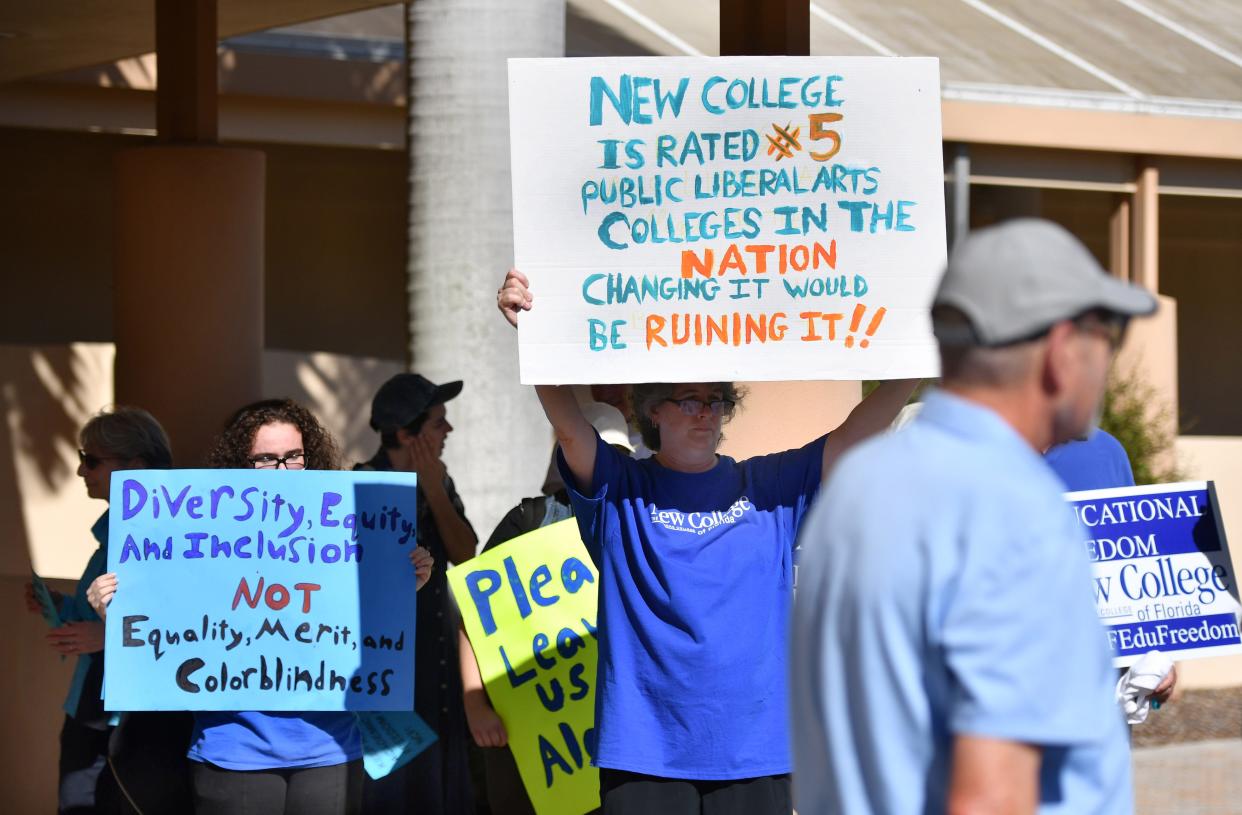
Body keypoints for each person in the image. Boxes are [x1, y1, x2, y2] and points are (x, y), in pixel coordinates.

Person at [498, 268, 917, 814]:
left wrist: (914, 357)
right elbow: (573, 428)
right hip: (645, 750)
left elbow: (856, 434)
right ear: (654, 411)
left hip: (754, 751)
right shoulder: (622, 488)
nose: (705, 412)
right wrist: (532, 339)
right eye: (689, 400)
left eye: (715, 400)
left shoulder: (771, 486)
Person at [791, 218, 1157, 814]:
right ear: (1061, 351)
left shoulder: (858, 483)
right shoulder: (1014, 512)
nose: (1110, 359)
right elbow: (990, 794)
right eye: (1105, 332)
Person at [89, 399, 434, 815]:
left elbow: (357, 621)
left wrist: (403, 585)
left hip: (330, 750)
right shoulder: (200, 535)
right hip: (231, 750)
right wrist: (115, 611)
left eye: (293, 457)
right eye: (266, 460)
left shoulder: (339, 532)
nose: (283, 469)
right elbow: (169, 626)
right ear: (241, 463)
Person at [461, 402, 632, 815]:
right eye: (591, 451)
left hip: (617, 738)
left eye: (614, 456)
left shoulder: (639, 522)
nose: (600, 465)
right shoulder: (529, 519)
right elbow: (475, 617)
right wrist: (475, 704)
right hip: (531, 741)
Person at [23, 407, 172, 814]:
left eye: (92, 461)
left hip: (141, 718)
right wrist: (58, 604)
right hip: (90, 704)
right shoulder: (110, 530)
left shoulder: (177, 534)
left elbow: (190, 622)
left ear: (134, 467)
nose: (80, 472)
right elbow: (94, 613)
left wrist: (110, 637)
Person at [356, 374, 477, 814]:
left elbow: (466, 554)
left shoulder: (439, 482)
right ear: (407, 433)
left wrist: (433, 488)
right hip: (388, 684)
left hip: (438, 670)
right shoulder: (362, 486)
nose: (448, 432)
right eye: (438, 422)